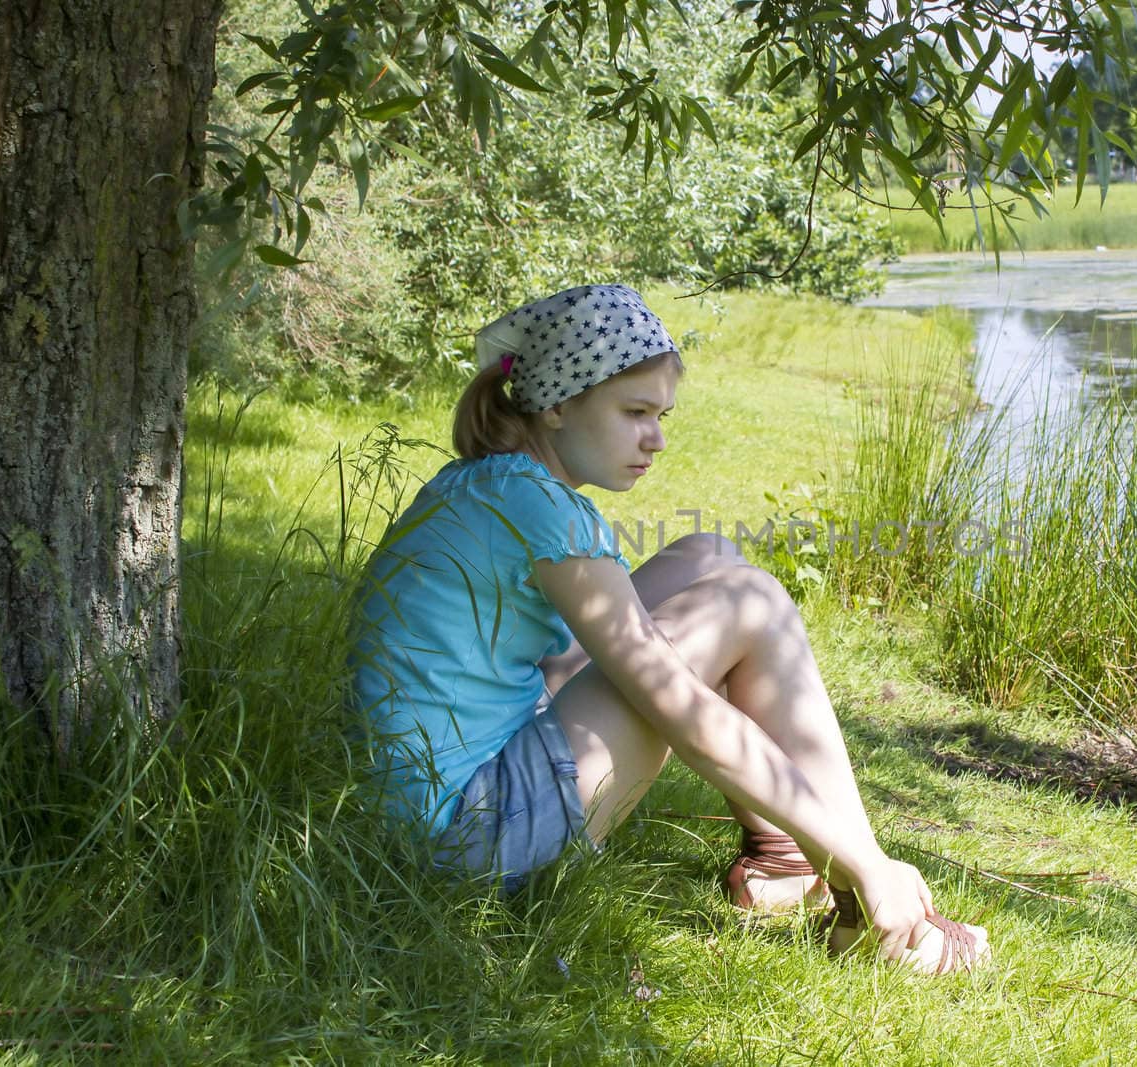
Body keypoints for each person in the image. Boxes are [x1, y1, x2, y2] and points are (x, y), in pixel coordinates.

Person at [350, 284, 988, 974]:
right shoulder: (542, 510)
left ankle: (783, 860)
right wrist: (865, 857)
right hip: (467, 842)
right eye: (635, 413)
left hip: (432, 818)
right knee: (750, 599)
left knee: (709, 554)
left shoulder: (485, 481)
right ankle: (868, 899)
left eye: (661, 413)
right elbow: (684, 712)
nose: (656, 437)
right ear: (559, 403)